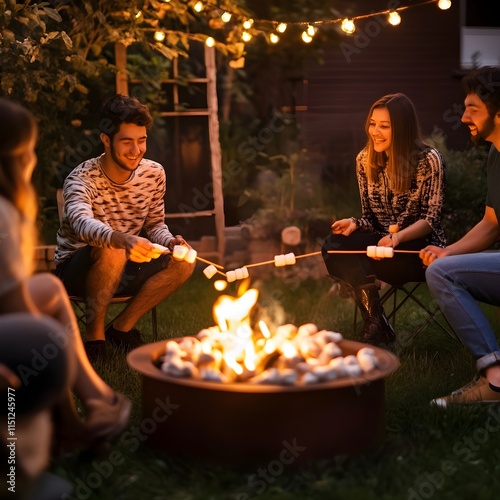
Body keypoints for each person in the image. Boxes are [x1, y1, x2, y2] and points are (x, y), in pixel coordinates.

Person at [0, 98, 131, 495]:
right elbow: (16, 310)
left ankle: (91, 405)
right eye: (31, 149)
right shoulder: (4, 214)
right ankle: (16, 474)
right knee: (41, 337)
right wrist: (115, 237)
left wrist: (162, 241)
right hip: (81, 260)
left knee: (50, 290)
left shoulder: (152, 174)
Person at [55, 94, 195, 358]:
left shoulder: (154, 173)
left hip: (124, 262)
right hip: (75, 269)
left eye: (141, 141)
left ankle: (120, 330)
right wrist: (122, 240)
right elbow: (82, 224)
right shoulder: (81, 179)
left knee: (185, 262)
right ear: (106, 140)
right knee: (112, 249)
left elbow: (155, 225)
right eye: (127, 142)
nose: (136, 150)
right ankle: (94, 340)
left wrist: (170, 243)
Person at [322, 93, 446, 345]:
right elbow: (370, 217)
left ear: (402, 127)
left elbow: (431, 219)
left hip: (419, 252)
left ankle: (376, 325)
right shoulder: (364, 160)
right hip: (382, 247)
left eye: (384, 126)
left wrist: (396, 238)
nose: (375, 132)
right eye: (372, 123)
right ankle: (376, 321)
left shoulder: (428, 160)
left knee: (355, 258)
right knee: (333, 245)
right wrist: (355, 223)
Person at [420, 66, 500, 406]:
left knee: (440, 273)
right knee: (441, 269)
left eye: (473, 108)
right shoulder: (496, 155)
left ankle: (496, 381)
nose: (464, 116)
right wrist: (447, 251)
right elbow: (492, 223)